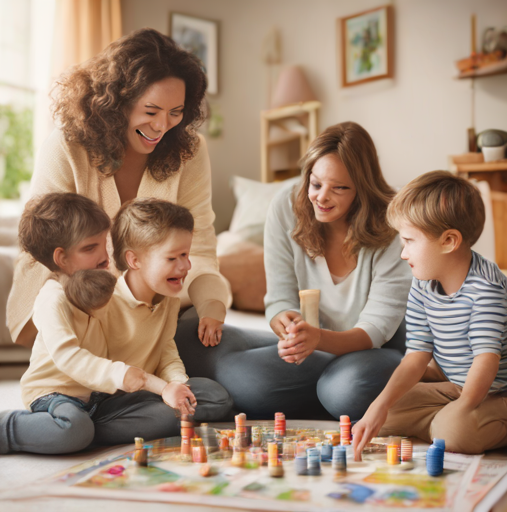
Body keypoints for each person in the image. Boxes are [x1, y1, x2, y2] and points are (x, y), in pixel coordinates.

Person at [7, 28, 229, 350]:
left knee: (240, 367)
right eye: (150, 111)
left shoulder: (189, 151)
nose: (162, 126)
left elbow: (200, 248)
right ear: (116, 103)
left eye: (175, 113)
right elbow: (42, 247)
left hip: (161, 312)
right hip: (81, 313)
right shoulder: (66, 146)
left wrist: (212, 306)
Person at [177, 122, 411, 420]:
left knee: (344, 389)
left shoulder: (392, 224)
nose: (322, 198)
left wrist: (316, 340)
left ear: (362, 188)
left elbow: (375, 331)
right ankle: (318, 397)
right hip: (313, 349)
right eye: (316, 184)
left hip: (373, 349)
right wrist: (287, 325)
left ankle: (323, 395)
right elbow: (279, 298)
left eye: (339, 188)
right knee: (188, 336)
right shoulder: (287, 206)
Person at [1, 193, 224, 454]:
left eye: (102, 244)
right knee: (73, 429)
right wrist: (127, 376)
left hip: (94, 396)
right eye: (89, 248)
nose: (106, 256)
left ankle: (89, 427)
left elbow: (163, 346)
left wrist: (172, 385)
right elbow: (69, 357)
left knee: (211, 397)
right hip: (54, 393)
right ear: (61, 258)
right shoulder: (51, 300)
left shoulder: (97, 289)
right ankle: (8, 428)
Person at [352, 171, 507, 458]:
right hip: (455, 383)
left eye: (409, 241)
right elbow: (416, 355)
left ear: (448, 241)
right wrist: (380, 406)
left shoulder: (487, 289)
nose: (403, 254)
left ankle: (454, 425)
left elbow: (485, 361)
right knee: (382, 410)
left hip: (498, 391)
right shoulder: (423, 281)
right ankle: (443, 425)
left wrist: (459, 412)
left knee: (456, 428)